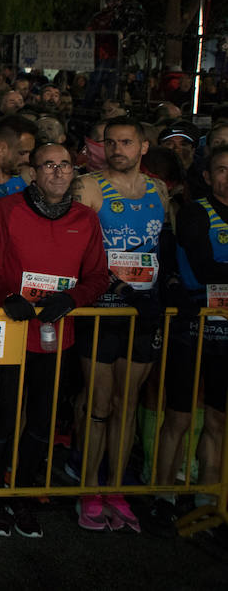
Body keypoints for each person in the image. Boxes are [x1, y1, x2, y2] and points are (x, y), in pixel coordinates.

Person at [0, 141, 106, 540]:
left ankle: (25, 491)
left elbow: (98, 276)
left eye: (65, 165)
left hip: (57, 334)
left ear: (74, 171)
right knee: (5, 411)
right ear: (32, 172)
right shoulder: (6, 209)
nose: (57, 172)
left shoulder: (86, 218)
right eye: (48, 165)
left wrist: (73, 298)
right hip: (14, 329)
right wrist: (7, 296)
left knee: (42, 416)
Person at [69, 116, 170, 532]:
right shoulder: (89, 187)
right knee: (99, 405)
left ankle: (115, 489)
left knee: (127, 407)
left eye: (126, 142)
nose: (117, 149)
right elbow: (72, 239)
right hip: (102, 308)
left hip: (142, 310)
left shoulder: (159, 190)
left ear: (144, 146)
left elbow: (164, 243)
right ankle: (89, 490)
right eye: (110, 142)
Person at [155, 143, 228, 534]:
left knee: (218, 419)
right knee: (179, 418)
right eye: (222, 169)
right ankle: (164, 497)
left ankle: (207, 496)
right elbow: (203, 267)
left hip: (226, 334)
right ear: (208, 176)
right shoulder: (197, 213)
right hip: (193, 328)